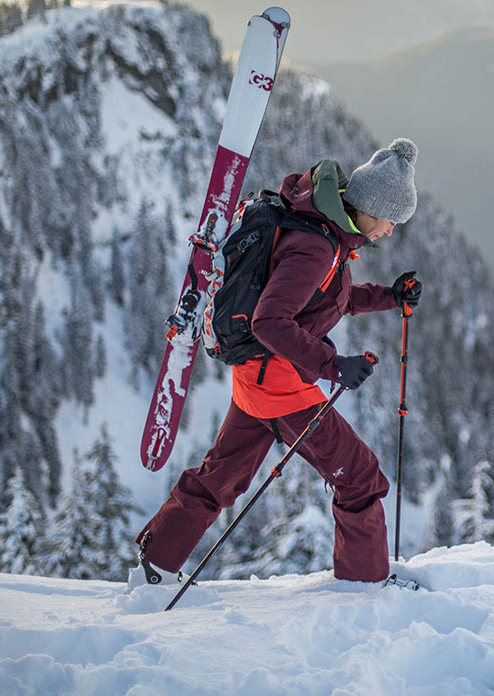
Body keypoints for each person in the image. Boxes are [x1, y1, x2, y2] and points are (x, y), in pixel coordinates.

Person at [131, 138, 423, 587]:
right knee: (361, 477)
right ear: (369, 207)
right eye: (390, 220)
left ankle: (156, 565)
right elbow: (270, 321)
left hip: (256, 379)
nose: (389, 231)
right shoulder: (318, 248)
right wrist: (332, 365)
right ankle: (366, 590)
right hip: (281, 386)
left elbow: (329, 301)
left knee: (221, 475)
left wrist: (389, 296)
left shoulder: (323, 230)